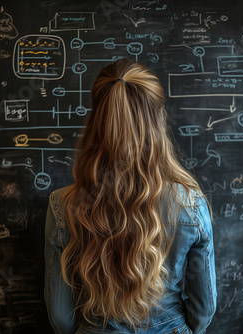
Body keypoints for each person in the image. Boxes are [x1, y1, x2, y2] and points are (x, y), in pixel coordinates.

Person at [44, 58, 216, 334]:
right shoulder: (190, 203)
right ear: (158, 121)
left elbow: (61, 317)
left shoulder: (63, 205)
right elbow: (203, 310)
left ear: (96, 121)